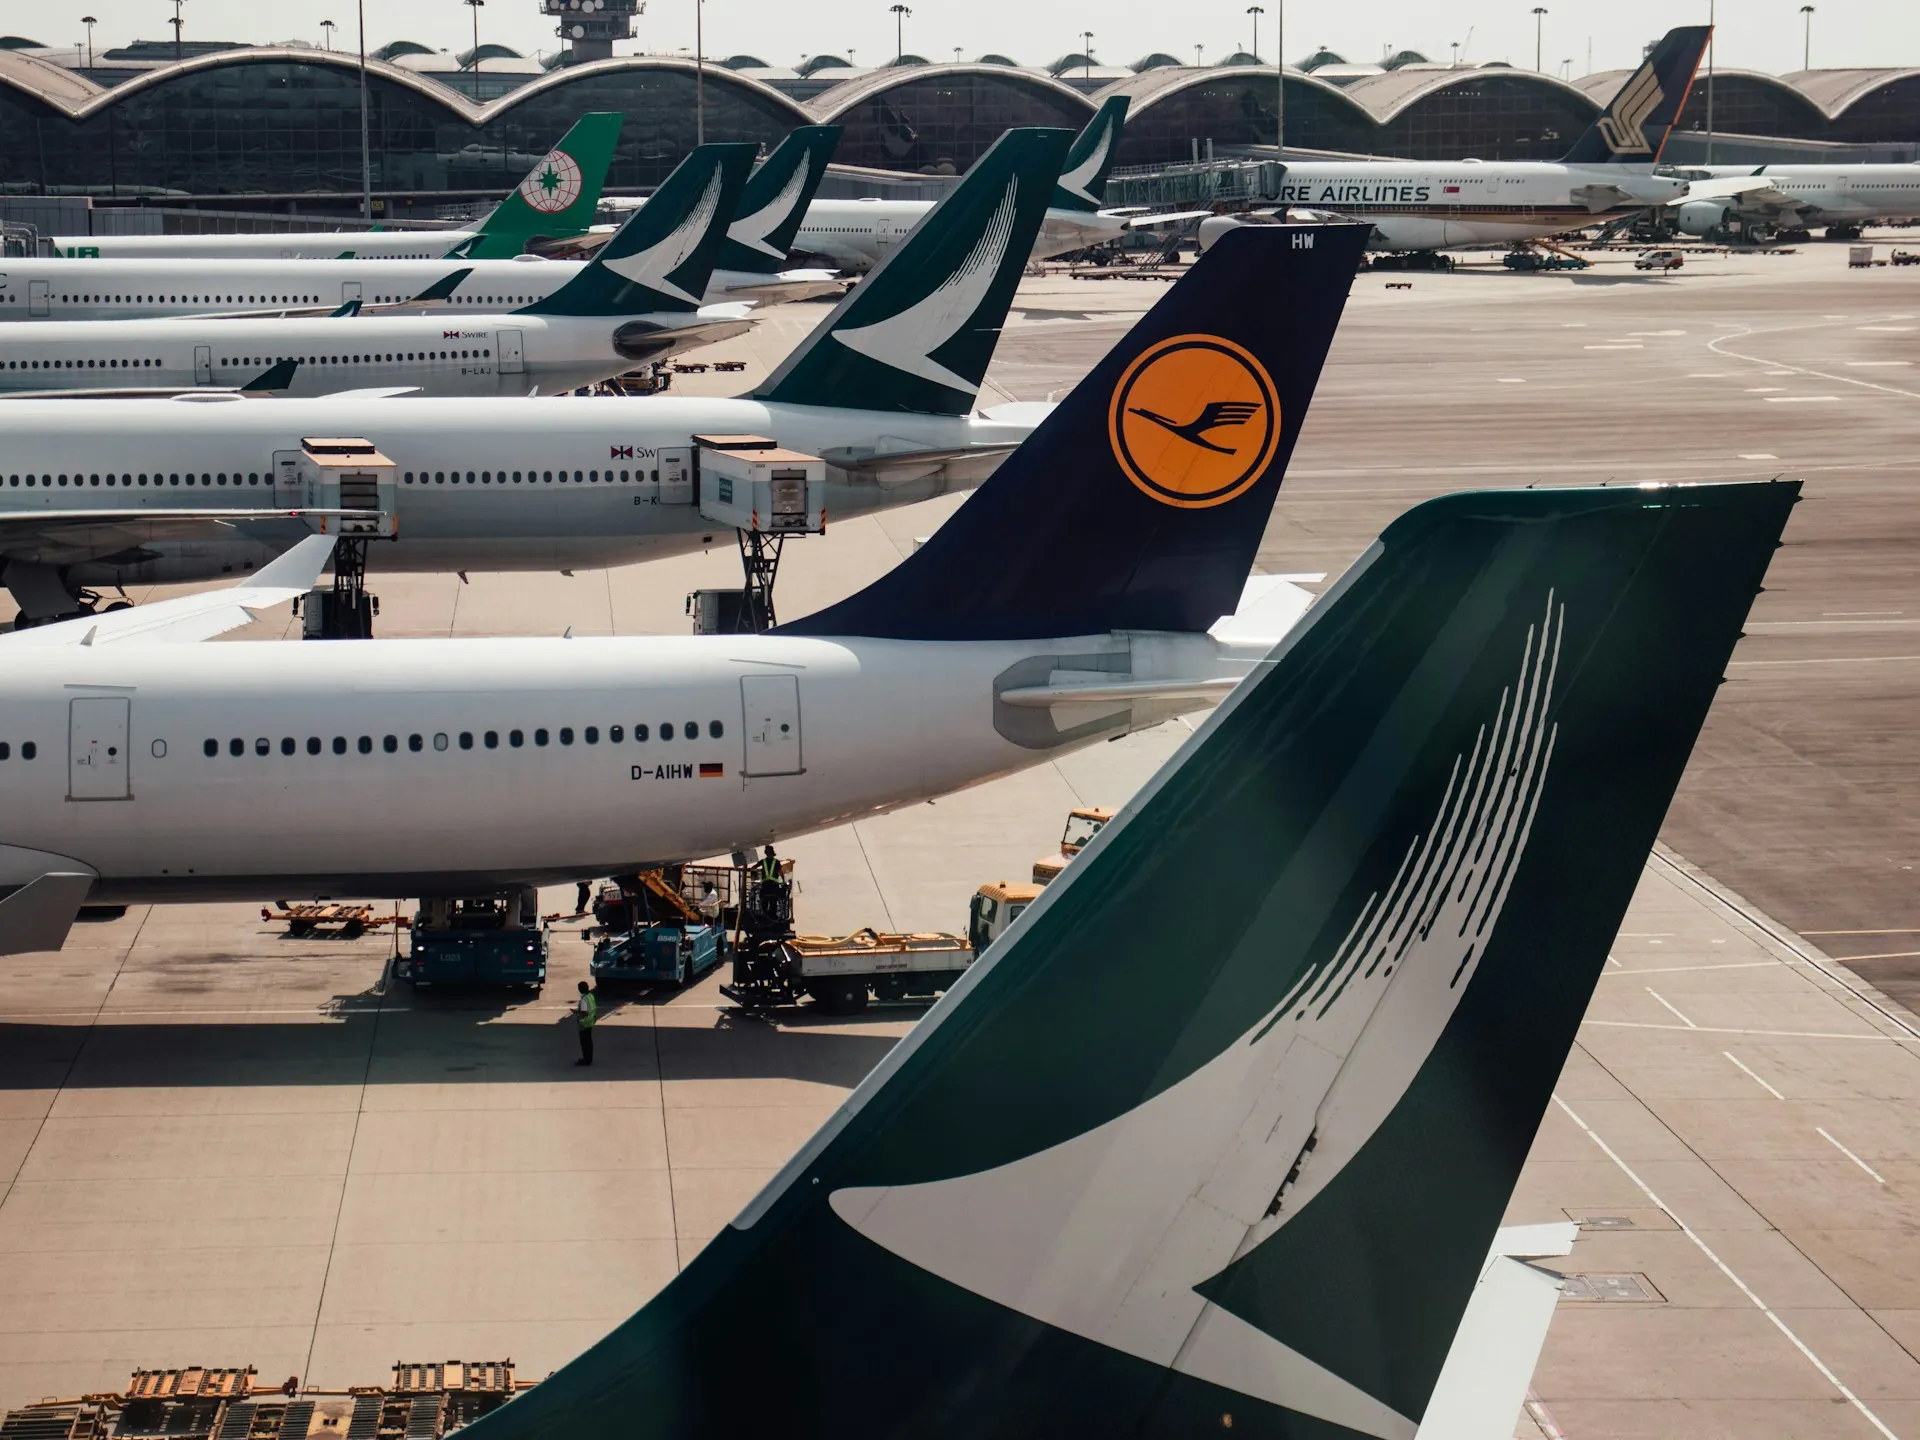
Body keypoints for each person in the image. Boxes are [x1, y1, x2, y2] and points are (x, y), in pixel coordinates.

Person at [573, 979, 597, 1065]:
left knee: (584, 1043)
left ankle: (585, 1059)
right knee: (589, 1042)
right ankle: (589, 1058)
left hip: (584, 1024)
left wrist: (577, 1013)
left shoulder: (584, 1000)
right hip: (590, 1022)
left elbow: (584, 1012)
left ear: (580, 989)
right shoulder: (590, 996)